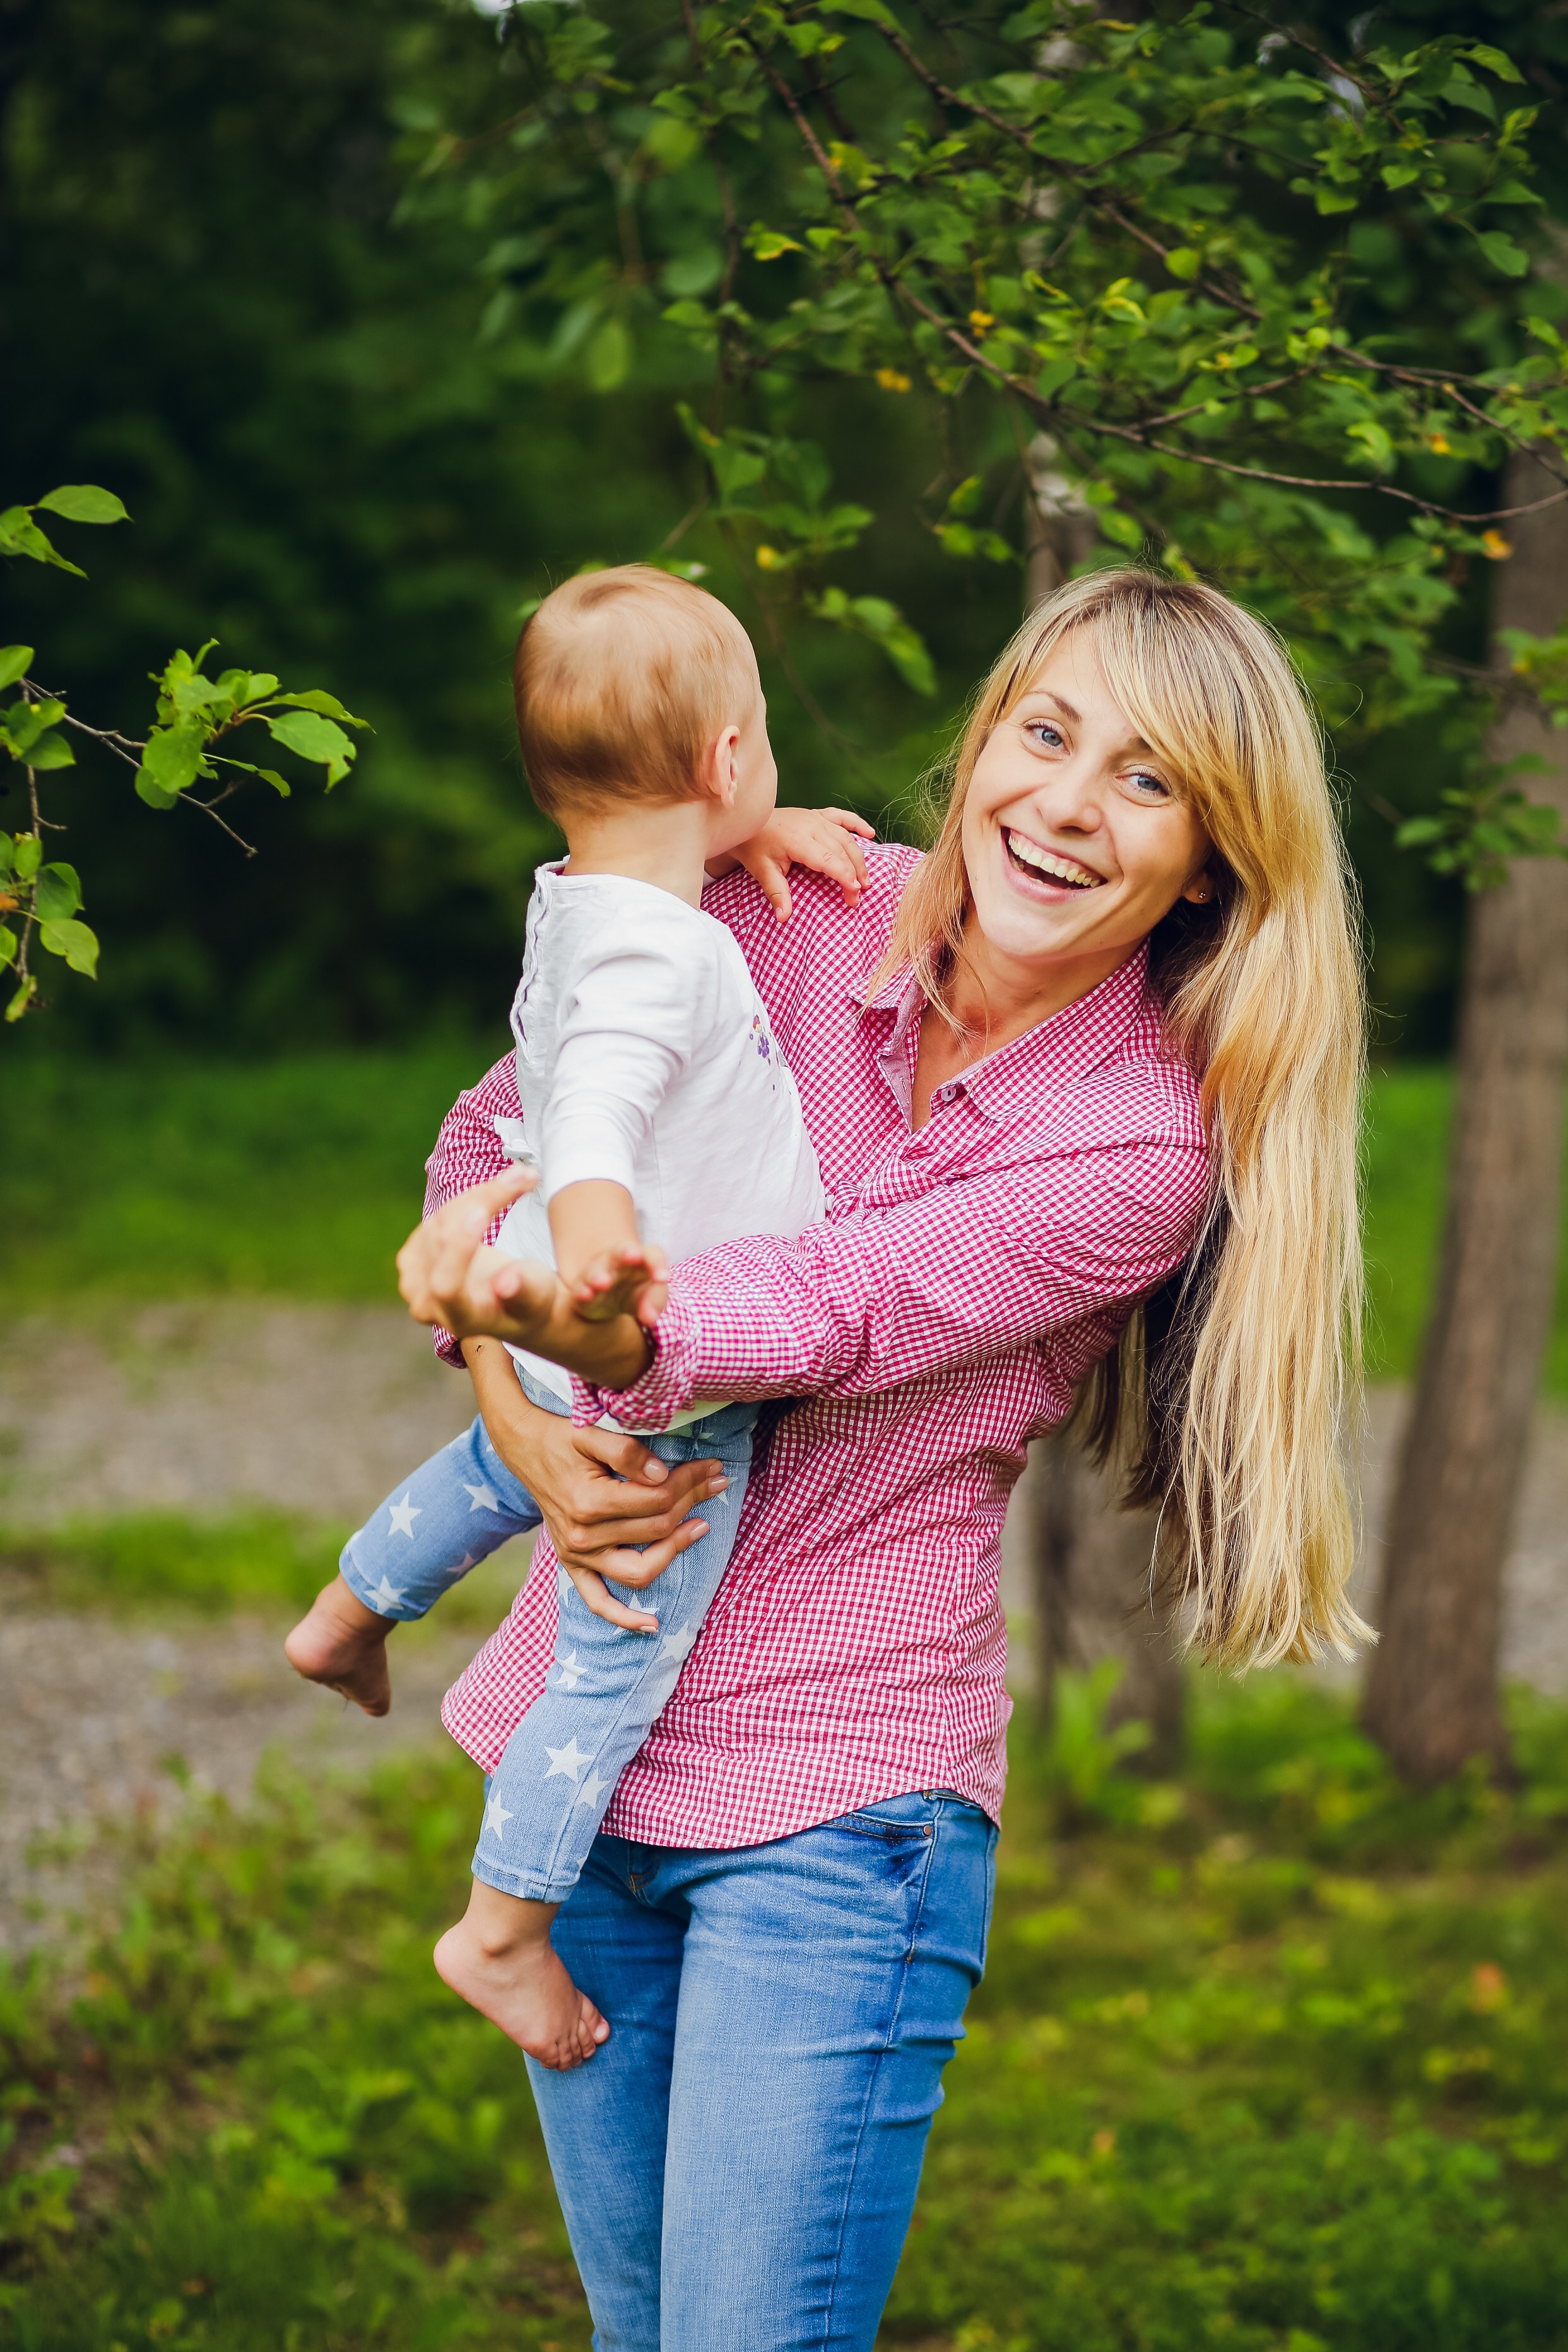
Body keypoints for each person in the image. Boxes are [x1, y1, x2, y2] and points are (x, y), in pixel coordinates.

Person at [397, 569, 1367, 2352]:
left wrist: (577, 1324)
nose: (1065, 805)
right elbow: (513, 1118)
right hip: (585, 1752)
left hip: (835, 1812)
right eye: (1045, 730)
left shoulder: (1133, 1147)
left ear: (1210, 861)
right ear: (985, 732)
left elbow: (823, 1307)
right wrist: (511, 1406)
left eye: (1145, 782)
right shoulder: (790, 899)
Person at [285, 565, 871, 2068]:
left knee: (498, 1466)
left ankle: (353, 1605)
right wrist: (608, 1260)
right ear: (727, 756)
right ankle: (500, 1930)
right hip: (653, 1365)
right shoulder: (654, 953)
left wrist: (767, 836)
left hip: (557, 1334)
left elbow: (632, 944)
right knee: (615, 1649)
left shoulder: (585, 898)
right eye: (754, 762)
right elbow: (600, 1108)